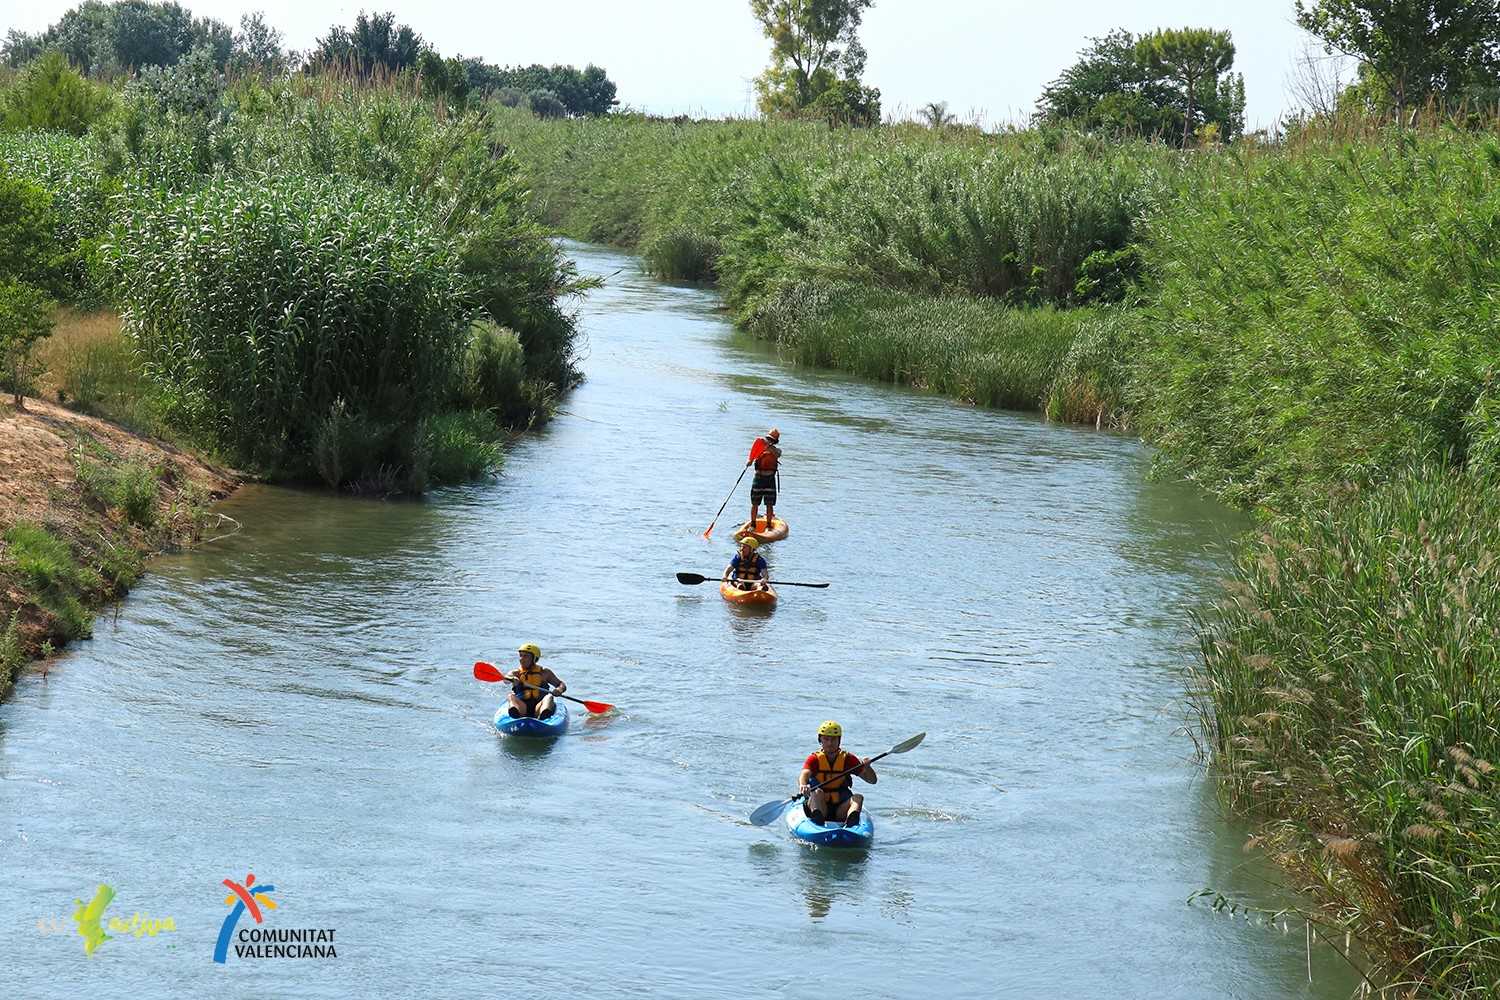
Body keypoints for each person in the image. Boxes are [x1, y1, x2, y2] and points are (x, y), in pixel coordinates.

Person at [800, 720, 876, 827]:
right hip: (820, 806)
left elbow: (872, 781)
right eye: (826, 739)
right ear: (820, 740)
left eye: (833, 739)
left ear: (839, 740)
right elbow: (804, 774)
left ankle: (851, 824)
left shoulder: (848, 759)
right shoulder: (814, 759)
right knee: (817, 793)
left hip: (840, 809)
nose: (830, 743)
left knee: (858, 798)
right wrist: (803, 785)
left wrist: (868, 768)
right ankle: (817, 822)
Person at [505, 643, 566, 719]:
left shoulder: (544, 672)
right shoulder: (516, 673)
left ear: (535, 659)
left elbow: (561, 684)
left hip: (540, 706)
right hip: (522, 707)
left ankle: (544, 716)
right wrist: (512, 678)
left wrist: (559, 690)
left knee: (549, 697)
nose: (521, 659)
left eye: (526, 656)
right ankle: (515, 716)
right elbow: (506, 679)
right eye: (521, 655)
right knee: (511, 696)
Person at [748, 428, 781, 529]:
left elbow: (777, 454)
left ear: (775, 441)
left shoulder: (776, 450)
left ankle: (769, 525)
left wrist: (767, 446)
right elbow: (752, 457)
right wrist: (750, 461)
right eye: (769, 439)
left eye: (772, 440)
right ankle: (753, 524)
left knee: (769, 504)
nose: (770, 441)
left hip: (770, 479)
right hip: (758, 478)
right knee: (755, 503)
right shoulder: (760, 448)